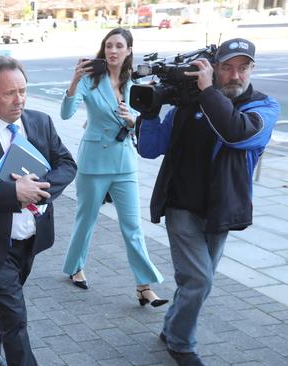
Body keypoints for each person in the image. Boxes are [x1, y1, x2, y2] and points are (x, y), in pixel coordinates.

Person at [137, 38, 280, 365]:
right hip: (180, 206)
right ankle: (181, 343)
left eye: (242, 68)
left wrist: (208, 93)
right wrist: (150, 112)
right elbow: (149, 148)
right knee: (199, 280)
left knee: (197, 281)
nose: (235, 75)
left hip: (221, 210)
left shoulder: (263, 107)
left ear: (252, 70)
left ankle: (172, 325)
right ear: (215, 68)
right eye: (227, 67)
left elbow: (237, 133)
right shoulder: (188, 105)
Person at [0, 56, 77, 366]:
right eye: (10, 92)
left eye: (23, 90)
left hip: (30, 240)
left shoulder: (40, 122)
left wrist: (39, 188)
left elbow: (67, 164)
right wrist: (13, 193)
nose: (19, 99)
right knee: (16, 314)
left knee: (6, 301)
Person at [59, 28, 167, 307]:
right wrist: (74, 80)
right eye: (109, 45)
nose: (113, 51)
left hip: (124, 162)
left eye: (119, 46)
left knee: (132, 227)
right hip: (93, 162)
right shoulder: (90, 80)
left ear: (129, 50)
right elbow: (66, 113)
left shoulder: (137, 82)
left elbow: (143, 121)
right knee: (86, 220)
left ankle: (144, 286)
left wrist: (132, 120)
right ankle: (74, 267)